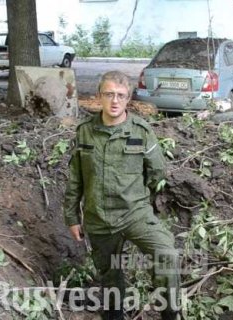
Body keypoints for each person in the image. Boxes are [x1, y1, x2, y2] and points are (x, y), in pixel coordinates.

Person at [63, 71, 180, 320]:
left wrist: (137, 197)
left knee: (166, 256)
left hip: (135, 214)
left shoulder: (141, 130)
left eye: (120, 95)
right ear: (99, 97)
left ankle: (170, 314)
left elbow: (157, 171)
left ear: (128, 99)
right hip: (99, 217)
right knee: (109, 276)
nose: (114, 101)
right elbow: (76, 178)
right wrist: (72, 217)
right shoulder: (85, 132)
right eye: (109, 94)